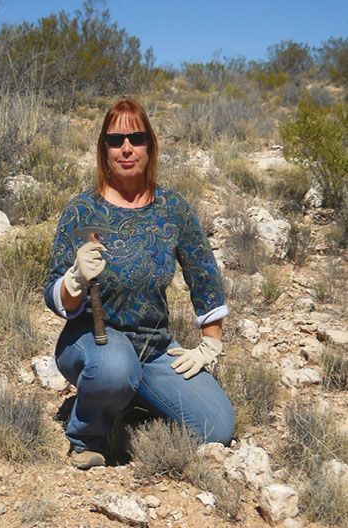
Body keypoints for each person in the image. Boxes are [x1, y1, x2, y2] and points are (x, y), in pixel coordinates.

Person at [44, 99, 235, 470]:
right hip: (93, 340)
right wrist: (75, 278)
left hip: (154, 346)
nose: (127, 148)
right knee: (115, 367)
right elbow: (55, 295)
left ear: (150, 145)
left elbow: (204, 275)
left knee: (217, 426)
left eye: (137, 137)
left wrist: (210, 344)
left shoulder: (172, 208)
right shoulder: (82, 210)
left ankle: (129, 402)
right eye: (116, 140)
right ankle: (88, 436)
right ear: (104, 148)